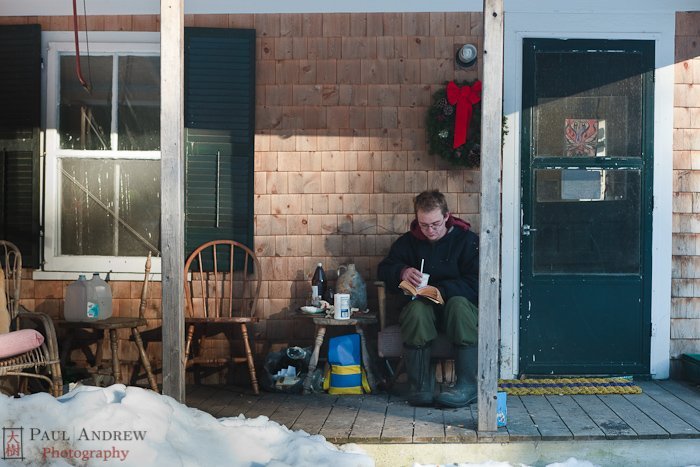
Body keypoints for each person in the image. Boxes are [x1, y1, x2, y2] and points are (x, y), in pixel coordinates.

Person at [377, 190, 479, 407]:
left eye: (435, 224)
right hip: (424, 310)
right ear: (417, 220)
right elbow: (383, 270)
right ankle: (420, 385)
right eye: (424, 225)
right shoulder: (409, 242)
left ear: (446, 217)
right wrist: (402, 272)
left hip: (458, 309)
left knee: (459, 305)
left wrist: (442, 290)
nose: (430, 231)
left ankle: (467, 386)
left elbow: (476, 282)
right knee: (416, 311)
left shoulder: (467, 241)